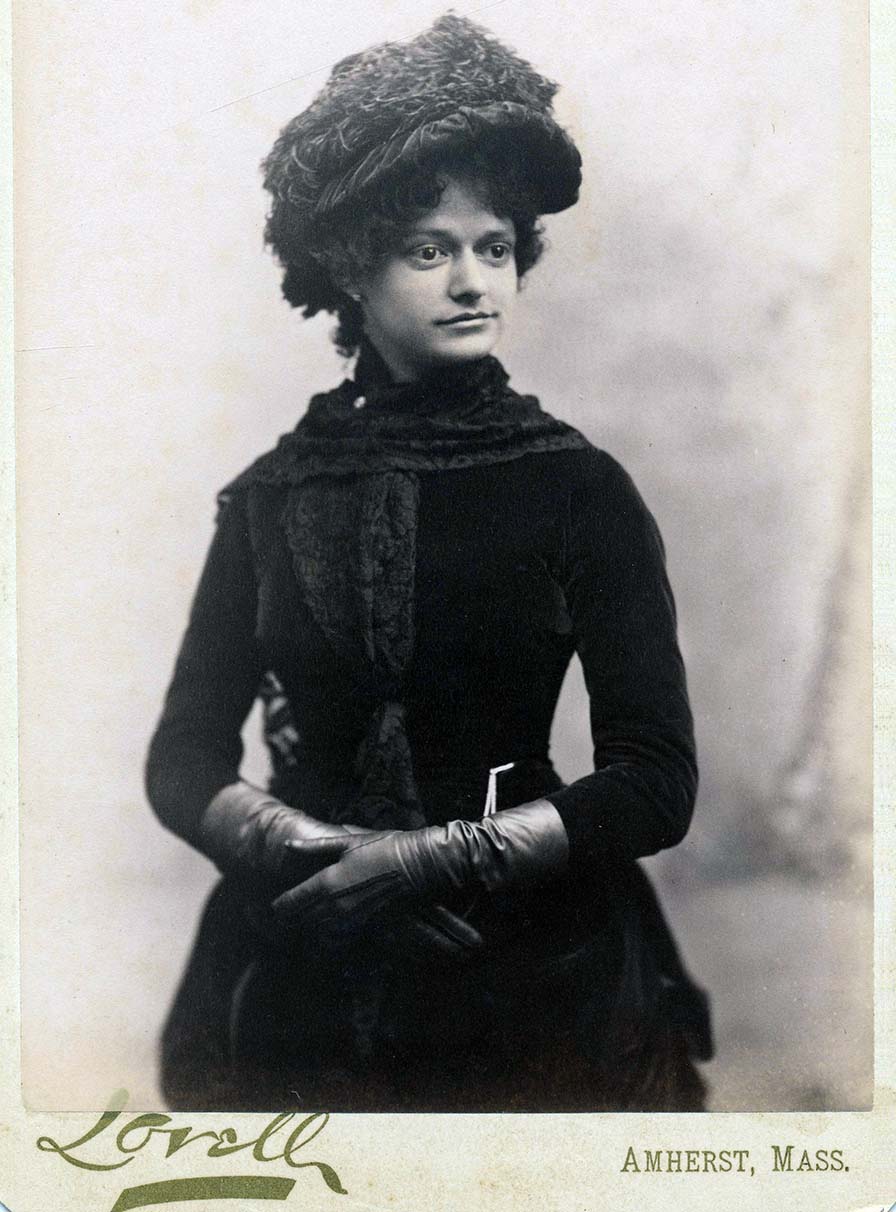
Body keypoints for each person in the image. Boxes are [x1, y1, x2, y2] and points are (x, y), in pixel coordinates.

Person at [146, 12, 712, 1112]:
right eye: (428, 249)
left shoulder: (576, 488)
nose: (472, 281)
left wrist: (432, 859)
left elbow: (655, 778)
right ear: (350, 268)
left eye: (494, 246)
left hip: (535, 979)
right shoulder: (269, 498)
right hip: (296, 963)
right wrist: (300, 848)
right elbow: (181, 755)